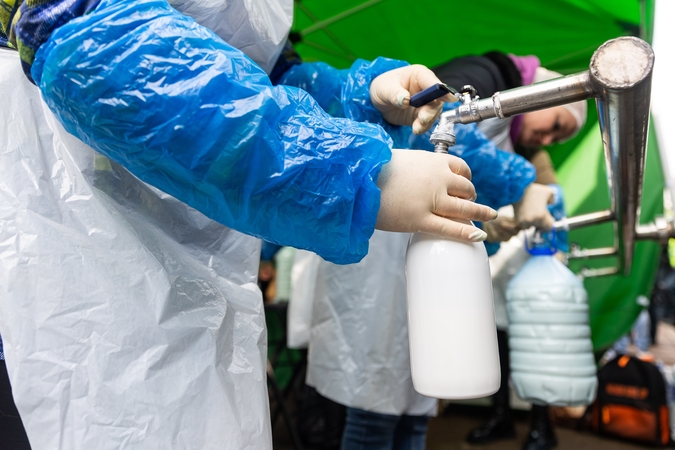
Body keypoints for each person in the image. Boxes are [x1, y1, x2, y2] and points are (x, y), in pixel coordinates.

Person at [0, 1, 497, 449]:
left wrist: (360, 95)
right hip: (66, 248)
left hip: (193, 265)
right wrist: (353, 174)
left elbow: (257, 74)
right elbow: (107, 54)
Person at [433, 51, 587, 450]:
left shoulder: (532, 154)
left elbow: (553, 201)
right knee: (495, 333)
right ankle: (500, 414)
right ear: (541, 97)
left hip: (528, 259)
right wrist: (489, 224)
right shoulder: (488, 93)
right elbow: (438, 121)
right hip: (491, 258)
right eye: (555, 125)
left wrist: (556, 247)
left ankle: (540, 423)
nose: (547, 139)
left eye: (558, 138)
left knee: (536, 333)